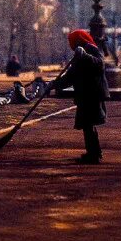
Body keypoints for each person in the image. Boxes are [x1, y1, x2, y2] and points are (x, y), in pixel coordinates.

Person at [49, 29, 109, 164]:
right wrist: (54, 84)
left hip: (92, 93)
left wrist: (84, 56)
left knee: (88, 123)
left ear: (78, 40)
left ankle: (93, 155)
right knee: (87, 124)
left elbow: (100, 65)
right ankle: (94, 153)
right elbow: (70, 76)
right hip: (86, 94)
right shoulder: (79, 53)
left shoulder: (91, 49)